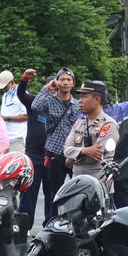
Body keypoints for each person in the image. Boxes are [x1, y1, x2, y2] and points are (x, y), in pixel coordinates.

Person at [31, 68, 79, 221]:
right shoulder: (49, 100)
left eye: (68, 80)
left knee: (78, 191)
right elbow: (35, 106)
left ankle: (76, 224)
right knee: (55, 193)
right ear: (57, 82)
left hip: (74, 154)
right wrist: (47, 88)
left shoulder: (77, 104)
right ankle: (53, 223)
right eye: (62, 79)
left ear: (73, 83)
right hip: (55, 152)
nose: (65, 82)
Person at [63, 80, 118, 182]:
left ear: (96, 99)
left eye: (84, 97)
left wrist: (74, 155)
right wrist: (84, 151)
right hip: (77, 181)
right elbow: (66, 150)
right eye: (80, 97)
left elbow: (96, 155)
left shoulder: (109, 124)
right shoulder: (79, 123)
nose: (80, 100)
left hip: (98, 182)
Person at [14, 68, 50, 221]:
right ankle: (24, 226)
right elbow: (21, 94)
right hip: (33, 155)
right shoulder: (34, 103)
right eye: (51, 88)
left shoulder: (64, 106)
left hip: (52, 156)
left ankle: (51, 225)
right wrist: (24, 79)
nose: (53, 92)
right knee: (28, 193)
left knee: (52, 194)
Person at [0, 70, 27, 153]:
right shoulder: (5, 95)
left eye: (5, 87)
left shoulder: (22, 94)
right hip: (5, 139)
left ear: (12, 82)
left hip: (18, 139)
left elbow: (26, 116)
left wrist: (6, 118)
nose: (4, 89)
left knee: (16, 161)